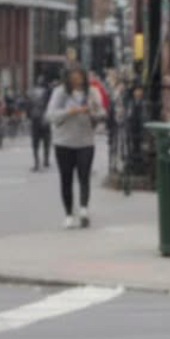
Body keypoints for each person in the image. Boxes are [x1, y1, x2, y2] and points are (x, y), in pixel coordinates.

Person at [46, 65, 104, 229]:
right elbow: (51, 115)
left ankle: (84, 209)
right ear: (68, 78)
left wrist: (91, 112)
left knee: (84, 176)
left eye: (79, 76)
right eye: (73, 76)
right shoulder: (60, 93)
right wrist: (69, 111)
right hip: (63, 142)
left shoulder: (92, 92)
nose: (77, 79)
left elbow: (102, 113)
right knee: (66, 179)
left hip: (85, 141)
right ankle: (69, 214)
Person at [27, 75, 52, 171]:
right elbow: (51, 105)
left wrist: (29, 116)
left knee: (35, 143)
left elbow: (28, 106)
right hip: (45, 119)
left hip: (35, 120)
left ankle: (37, 163)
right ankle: (46, 160)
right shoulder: (48, 92)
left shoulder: (32, 93)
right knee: (46, 141)